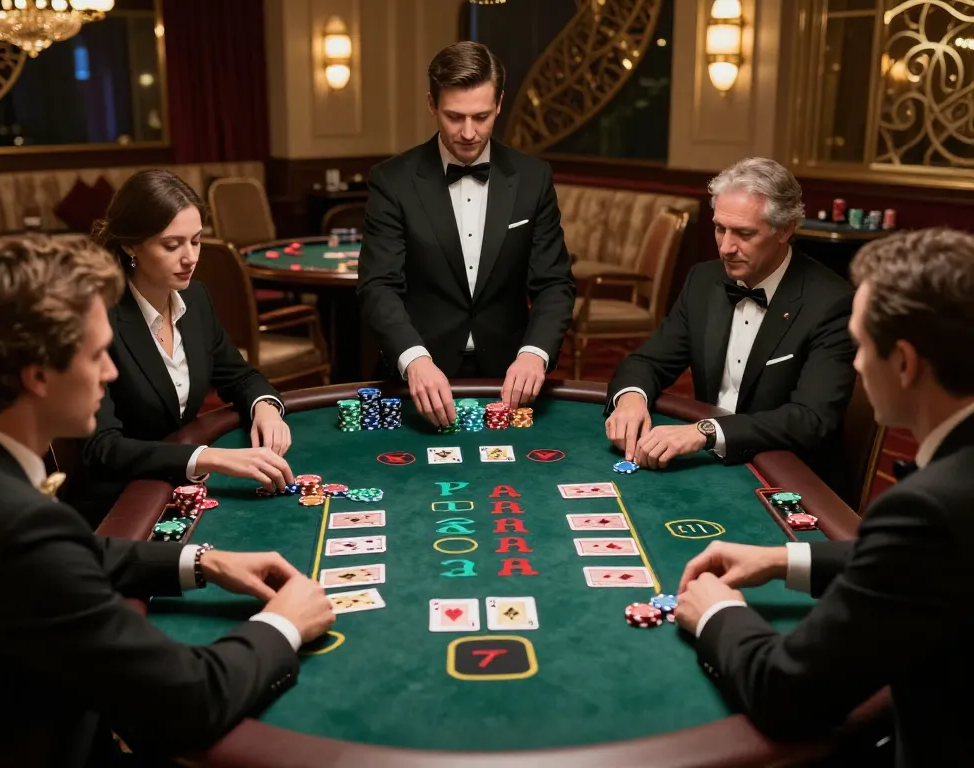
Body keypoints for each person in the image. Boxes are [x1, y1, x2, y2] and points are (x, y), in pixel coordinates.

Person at [0, 235, 336, 768]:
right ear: (37, 376)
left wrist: (202, 560)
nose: (110, 373)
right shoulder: (12, 527)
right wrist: (284, 624)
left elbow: (76, 553)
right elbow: (190, 698)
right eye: (95, 356)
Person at [675, 227, 974, 767]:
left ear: (904, 363)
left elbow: (788, 695)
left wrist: (719, 614)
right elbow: (934, 560)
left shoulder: (927, 509)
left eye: (861, 346)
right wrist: (784, 557)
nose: (855, 366)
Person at [604, 158, 855, 494]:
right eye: (720, 228)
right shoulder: (703, 281)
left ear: (786, 228)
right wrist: (631, 398)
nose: (725, 247)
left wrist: (705, 431)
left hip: (785, 477)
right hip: (705, 468)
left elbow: (810, 420)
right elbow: (647, 362)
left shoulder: (831, 303)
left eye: (744, 233)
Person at [357, 41, 575, 426]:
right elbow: (378, 286)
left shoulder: (533, 178)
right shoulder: (392, 181)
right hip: (420, 379)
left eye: (482, 116)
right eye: (454, 117)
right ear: (431, 104)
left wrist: (534, 353)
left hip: (509, 378)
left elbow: (554, 283)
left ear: (500, 103)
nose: (469, 133)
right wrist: (414, 359)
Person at [62, 170, 294, 527]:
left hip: (178, 490)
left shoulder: (196, 299)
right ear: (130, 245)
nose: (190, 258)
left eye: (197, 241)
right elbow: (102, 448)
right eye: (172, 245)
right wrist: (208, 457)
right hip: (117, 507)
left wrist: (265, 408)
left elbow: (240, 375)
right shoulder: (97, 316)